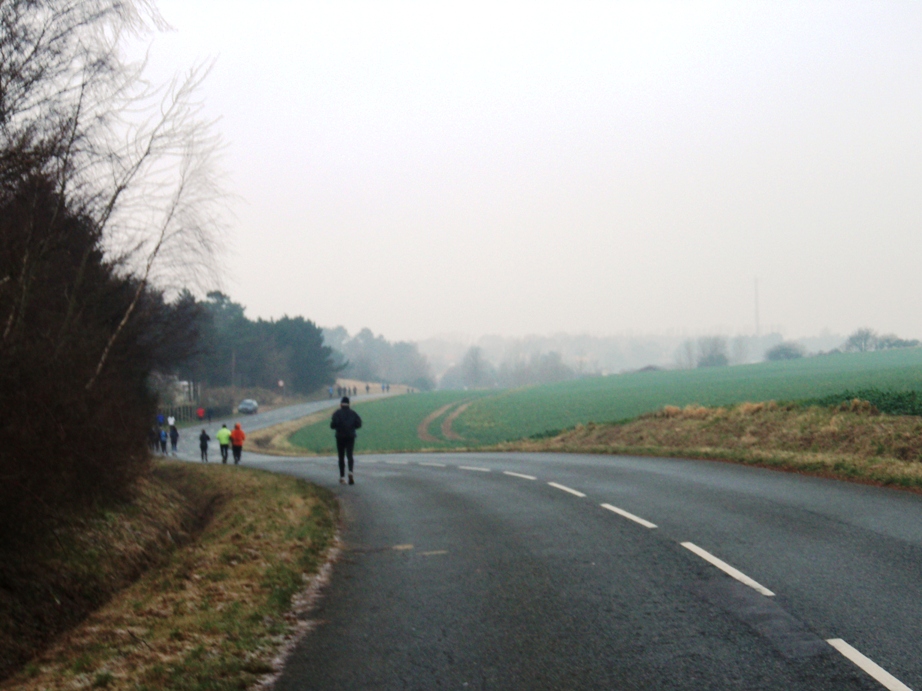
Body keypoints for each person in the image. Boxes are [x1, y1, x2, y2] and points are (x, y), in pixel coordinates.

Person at [330, 396, 362, 485]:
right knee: (349, 455)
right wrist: (352, 427)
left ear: (341, 404)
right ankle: (350, 472)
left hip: (340, 436)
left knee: (341, 456)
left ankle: (342, 477)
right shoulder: (353, 413)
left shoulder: (337, 413)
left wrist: (337, 426)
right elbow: (359, 424)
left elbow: (333, 425)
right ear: (349, 404)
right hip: (350, 436)